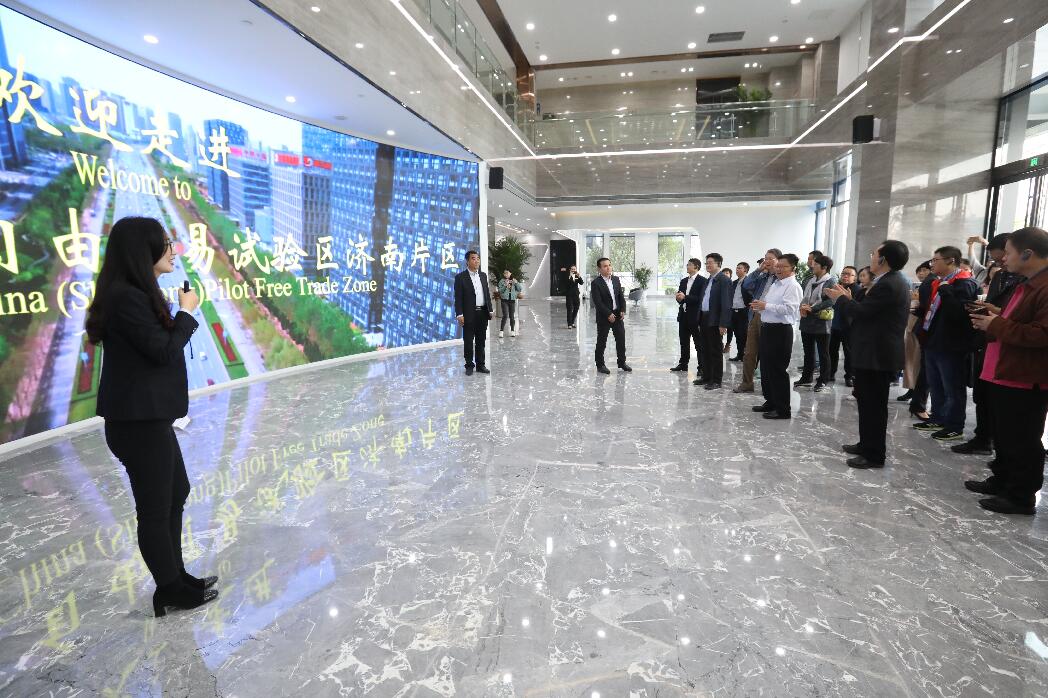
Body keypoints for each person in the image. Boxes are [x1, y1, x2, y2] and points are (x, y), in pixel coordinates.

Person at [85, 216, 219, 618]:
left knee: (177, 492)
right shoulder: (125, 297)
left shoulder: (135, 294)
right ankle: (168, 588)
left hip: (148, 418)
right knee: (156, 509)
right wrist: (187, 313)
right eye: (165, 243)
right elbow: (162, 350)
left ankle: (176, 576)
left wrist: (179, 313)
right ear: (142, 251)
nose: (173, 249)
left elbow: (156, 347)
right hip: (136, 423)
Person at [966, 227, 1048, 515]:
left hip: (1025, 377)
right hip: (1003, 370)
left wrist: (997, 324)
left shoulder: (1045, 286)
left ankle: (1020, 496)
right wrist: (997, 316)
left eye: (1009, 252)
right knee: (1004, 435)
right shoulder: (1027, 282)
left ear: (1028, 253)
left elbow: (1042, 334)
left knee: (1022, 439)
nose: (1003, 258)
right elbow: (1021, 321)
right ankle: (1002, 480)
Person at [826, 240, 912, 468]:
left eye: (874, 253)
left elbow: (862, 312)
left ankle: (874, 454)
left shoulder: (889, 284)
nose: (871, 257)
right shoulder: (888, 281)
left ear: (883, 259)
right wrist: (848, 299)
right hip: (873, 352)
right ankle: (866, 444)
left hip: (878, 354)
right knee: (866, 402)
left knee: (874, 406)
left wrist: (840, 300)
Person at [953, 234, 1023, 456]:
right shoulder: (1001, 276)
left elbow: (1021, 319)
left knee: (1003, 405)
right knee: (982, 394)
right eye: (996, 259)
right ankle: (983, 438)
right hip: (987, 338)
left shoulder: (1027, 281)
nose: (1002, 262)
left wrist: (996, 312)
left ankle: (997, 445)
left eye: (1004, 256)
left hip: (1009, 345)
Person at [914, 245, 978, 441]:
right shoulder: (940, 282)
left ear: (950, 261)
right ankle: (938, 418)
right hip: (933, 339)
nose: (932, 264)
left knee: (952, 386)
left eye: (936, 260)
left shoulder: (964, 283)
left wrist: (947, 292)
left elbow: (960, 314)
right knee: (936, 384)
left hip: (951, 343)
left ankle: (954, 426)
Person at [751, 254, 802, 419]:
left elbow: (790, 309)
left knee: (777, 370)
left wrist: (766, 306)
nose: (778, 269)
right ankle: (771, 401)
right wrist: (759, 307)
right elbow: (769, 306)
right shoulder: (776, 283)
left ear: (793, 268)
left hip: (780, 331)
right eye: (778, 266)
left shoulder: (792, 286)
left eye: (783, 267)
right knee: (766, 369)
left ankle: (783, 409)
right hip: (768, 329)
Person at [734, 248, 781, 394]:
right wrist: (758, 270)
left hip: (772, 318)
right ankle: (747, 383)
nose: (767, 261)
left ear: (778, 261)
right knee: (749, 353)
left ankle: (770, 386)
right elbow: (746, 285)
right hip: (755, 315)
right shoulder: (762, 276)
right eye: (765, 258)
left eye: (770, 258)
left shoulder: (781, 278)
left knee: (768, 354)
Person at [797, 253, 837, 392]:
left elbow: (831, 301)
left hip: (821, 322)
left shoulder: (831, 281)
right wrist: (802, 307)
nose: (812, 266)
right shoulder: (810, 280)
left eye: (816, 264)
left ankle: (823, 380)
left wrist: (812, 308)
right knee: (808, 352)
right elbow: (804, 296)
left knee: (823, 353)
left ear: (824, 267)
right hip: (807, 319)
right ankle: (806, 378)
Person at [695, 253, 733, 390]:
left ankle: (716, 380)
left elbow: (726, 304)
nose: (707, 265)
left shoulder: (724, 280)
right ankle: (706, 377)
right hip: (704, 318)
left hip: (715, 320)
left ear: (719, 264)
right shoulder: (709, 279)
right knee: (705, 349)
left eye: (710, 262)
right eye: (706, 263)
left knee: (715, 351)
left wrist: (723, 324)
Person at [454, 250, 494, 375]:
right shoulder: (460, 277)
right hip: (468, 314)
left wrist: (490, 309)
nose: (476, 261)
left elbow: (486, 294)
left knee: (481, 341)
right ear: (467, 261)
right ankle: (469, 365)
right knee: (468, 341)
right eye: (473, 258)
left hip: (482, 313)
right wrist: (459, 314)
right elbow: (458, 298)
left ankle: (480, 365)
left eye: (478, 258)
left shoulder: (483, 275)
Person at [897, 261, 932, 404]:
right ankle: (911, 389)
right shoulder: (919, 286)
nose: (921, 273)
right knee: (910, 361)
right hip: (911, 327)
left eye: (924, 270)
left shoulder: (931, 284)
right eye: (919, 271)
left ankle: (917, 393)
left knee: (917, 361)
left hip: (920, 328)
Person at [591, 257, 632, 374]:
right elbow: (598, 302)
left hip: (617, 315)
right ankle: (600, 365)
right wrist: (608, 314)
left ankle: (622, 362)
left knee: (621, 340)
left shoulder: (615, 279)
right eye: (605, 266)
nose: (608, 268)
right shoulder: (596, 283)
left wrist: (623, 309)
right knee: (602, 341)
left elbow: (620, 297)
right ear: (599, 269)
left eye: (609, 265)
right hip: (604, 317)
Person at [671, 258, 705, 373]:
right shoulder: (683, 281)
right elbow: (681, 297)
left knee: (698, 343)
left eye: (689, 265)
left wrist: (685, 297)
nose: (687, 266)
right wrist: (679, 298)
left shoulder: (702, 281)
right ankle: (683, 364)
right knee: (683, 342)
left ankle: (701, 367)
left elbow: (700, 299)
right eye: (687, 264)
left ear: (696, 267)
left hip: (695, 317)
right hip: (683, 316)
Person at [828, 265, 859, 387]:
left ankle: (849, 376)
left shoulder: (856, 290)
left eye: (849, 274)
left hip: (849, 326)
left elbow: (855, 309)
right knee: (832, 351)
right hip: (835, 324)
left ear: (854, 278)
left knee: (849, 353)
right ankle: (831, 373)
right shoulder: (837, 287)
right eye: (843, 273)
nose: (845, 276)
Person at [726, 262, 750, 361]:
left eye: (740, 268)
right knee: (737, 334)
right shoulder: (734, 282)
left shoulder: (749, 281)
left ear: (745, 270)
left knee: (743, 334)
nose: (737, 270)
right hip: (733, 312)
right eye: (736, 268)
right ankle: (740, 355)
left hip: (743, 312)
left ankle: (745, 356)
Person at [497, 270, 524, 338]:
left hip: (512, 300)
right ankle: (501, 331)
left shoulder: (514, 280)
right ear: (503, 274)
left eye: (507, 273)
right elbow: (500, 291)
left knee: (512, 316)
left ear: (510, 273)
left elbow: (519, 289)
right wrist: (505, 285)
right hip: (504, 300)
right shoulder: (502, 281)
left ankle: (512, 331)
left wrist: (516, 283)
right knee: (505, 315)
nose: (506, 274)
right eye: (505, 273)